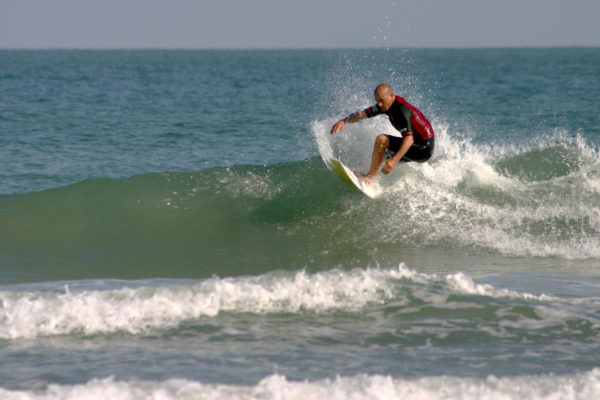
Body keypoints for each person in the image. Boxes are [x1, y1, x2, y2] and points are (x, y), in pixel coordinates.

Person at [330, 83, 434, 185]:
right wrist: (344, 121)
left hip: (423, 149)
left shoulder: (402, 111)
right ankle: (375, 180)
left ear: (391, 96)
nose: (379, 104)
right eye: (377, 101)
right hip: (415, 145)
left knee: (382, 140)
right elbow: (362, 114)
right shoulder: (385, 106)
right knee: (380, 153)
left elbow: (409, 139)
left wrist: (394, 161)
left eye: (381, 101)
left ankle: (370, 178)